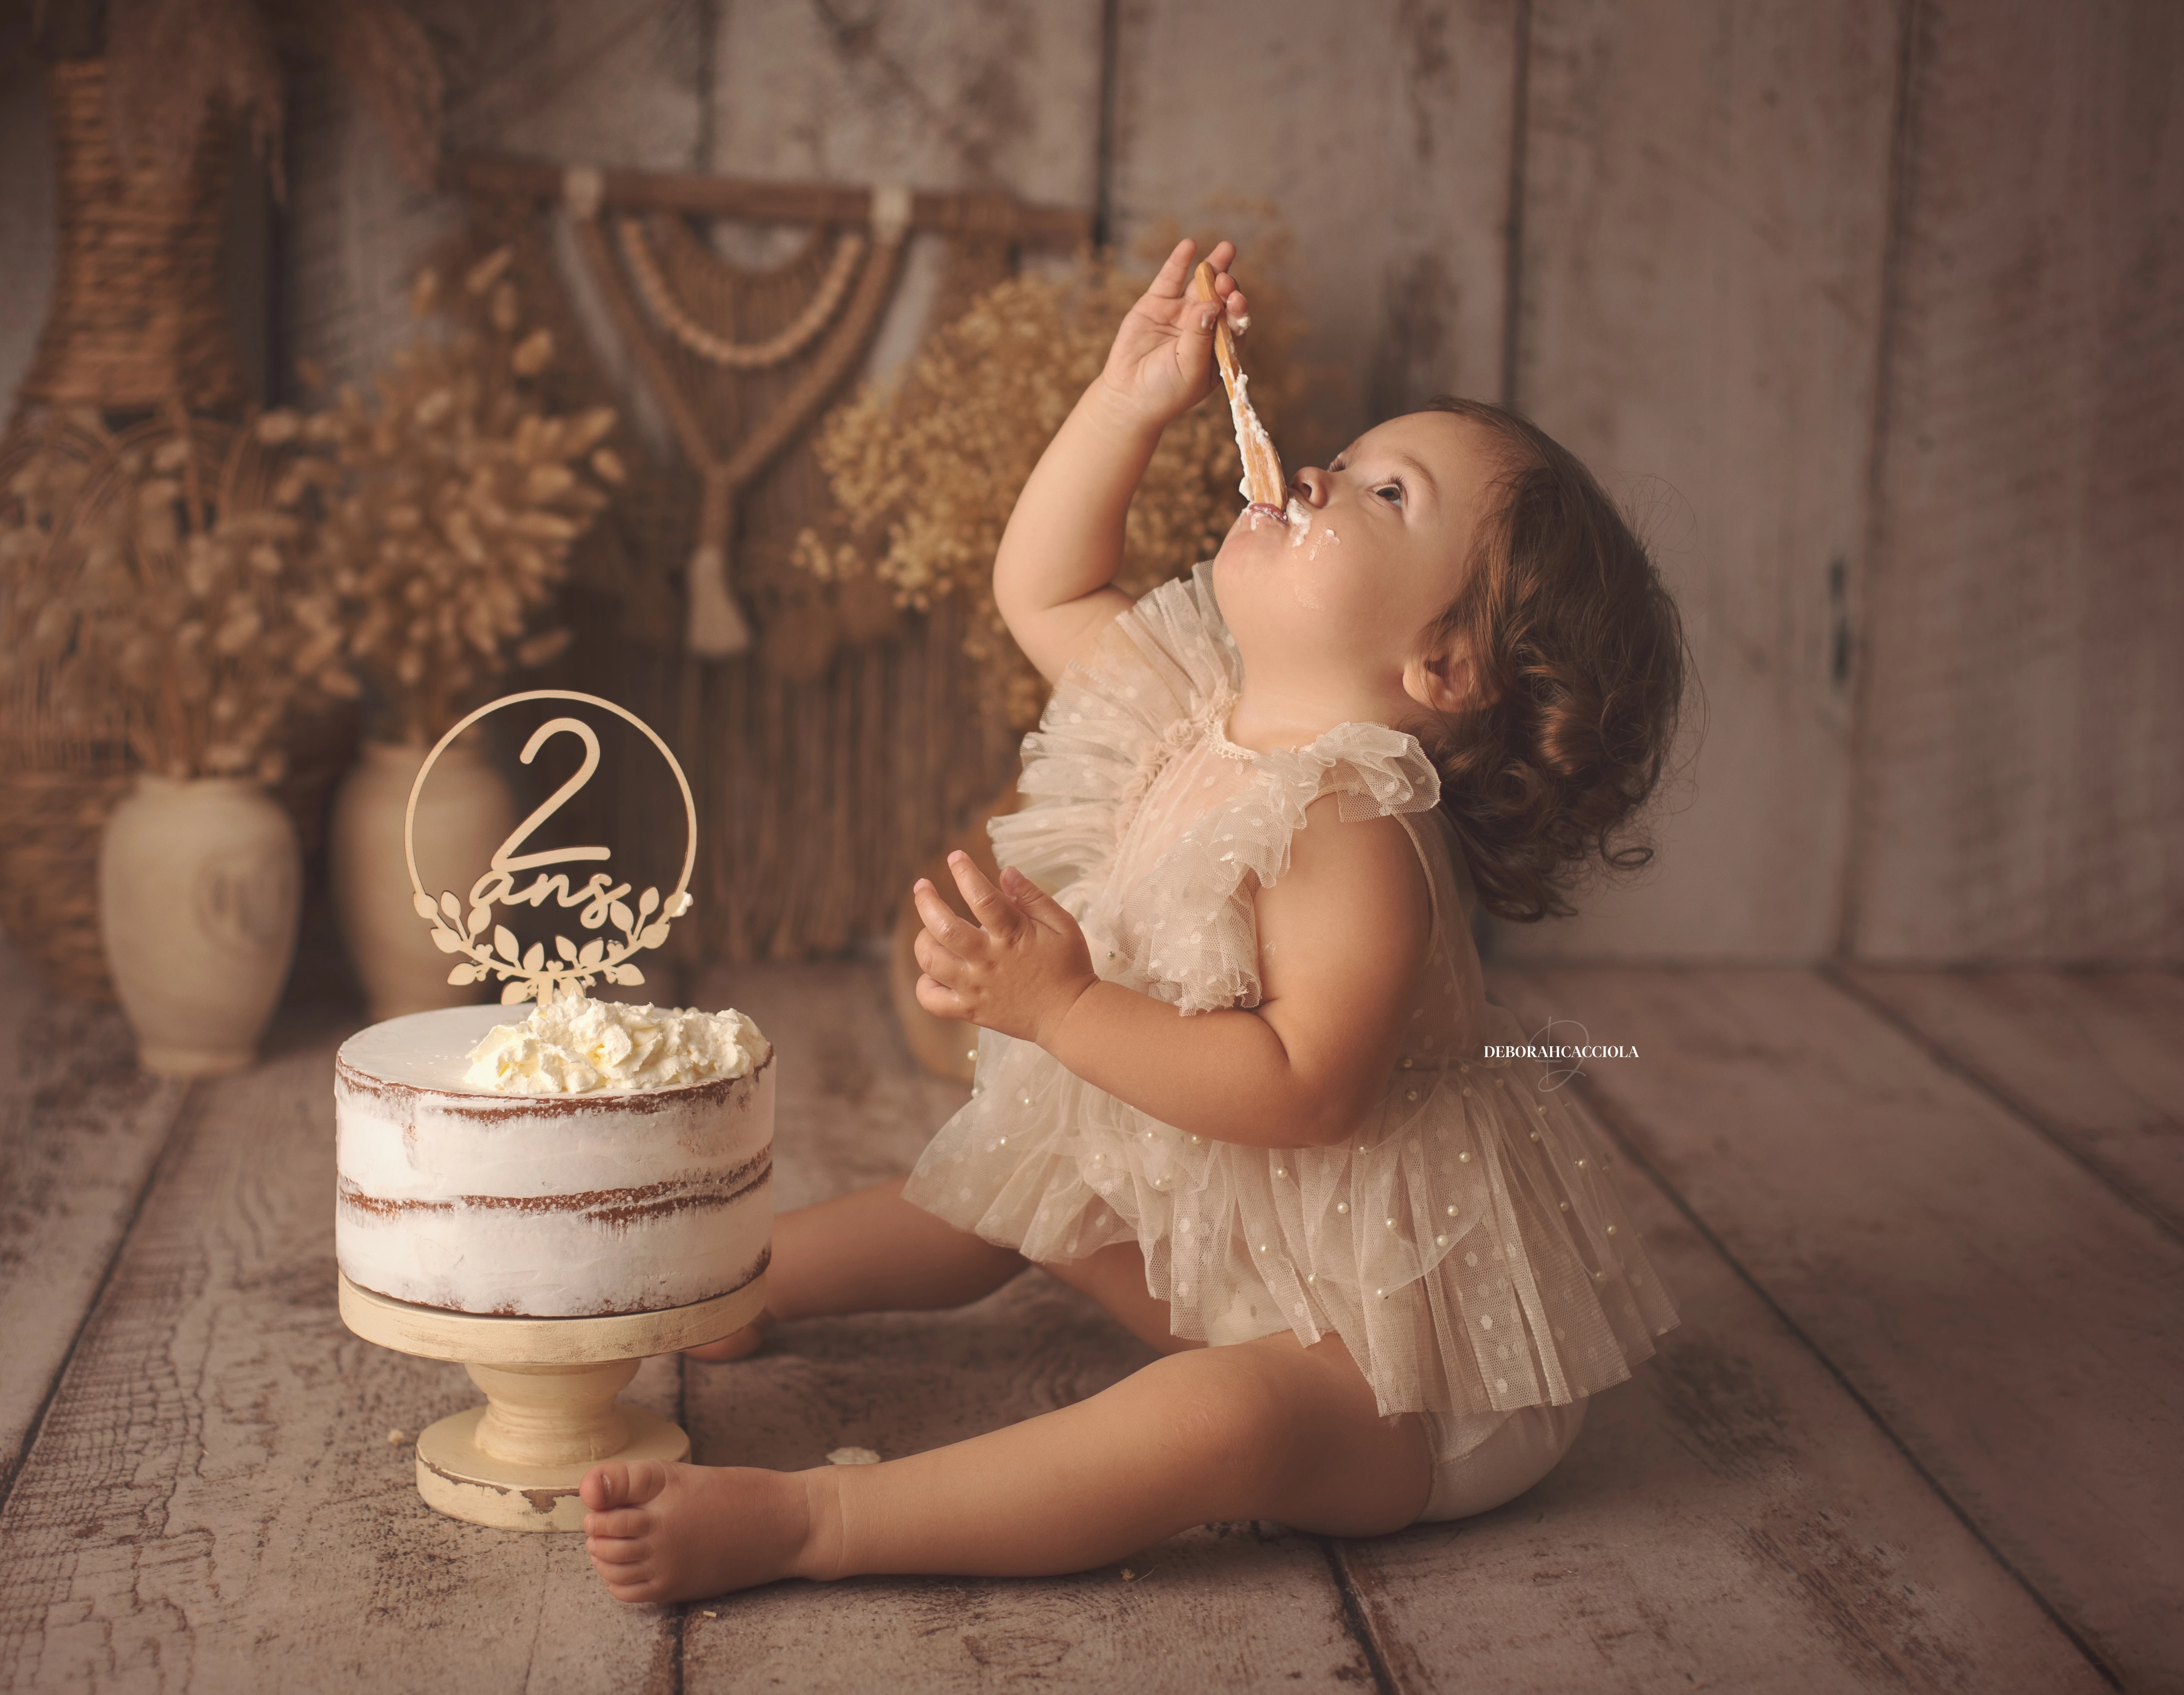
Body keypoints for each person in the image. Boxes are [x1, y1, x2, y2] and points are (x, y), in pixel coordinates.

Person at [580, 238, 1689, 1603]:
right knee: (1027, 1171)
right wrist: (1127, 401)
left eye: (1391, 492)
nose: (1325, 469)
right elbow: (1036, 589)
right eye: (1351, 452)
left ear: (1446, 665)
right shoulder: (1194, 708)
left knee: (1222, 1422)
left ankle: (818, 1522)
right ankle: (713, 1281)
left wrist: (1060, 1010)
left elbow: (1312, 1093)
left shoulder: (1355, 825)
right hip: (1261, 1250)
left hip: (1411, 1366)